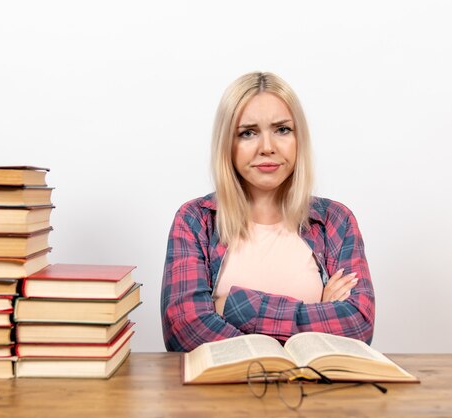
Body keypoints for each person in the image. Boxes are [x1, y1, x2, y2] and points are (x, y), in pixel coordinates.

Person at [160, 72, 375, 352]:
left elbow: (357, 326)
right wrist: (317, 313)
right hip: (221, 392)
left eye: (282, 130)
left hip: (318, 393)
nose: (267, 148)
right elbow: (185, 328)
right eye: (248, 133)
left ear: (300, 138)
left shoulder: (335, 221)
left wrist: (229, 306)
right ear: (228, 144)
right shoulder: (195, 221)